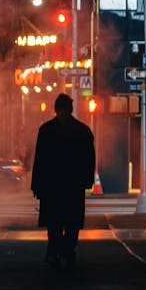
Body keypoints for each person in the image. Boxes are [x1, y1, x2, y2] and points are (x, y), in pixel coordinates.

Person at [30, 92, 95, 268]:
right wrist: (87, 180)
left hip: (52, 185)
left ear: (55, 109)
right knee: (72, 222)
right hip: (73, 185)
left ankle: (55, 251)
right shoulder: (83, 131)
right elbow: (89, 159)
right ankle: (68, 250)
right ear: (70, 109)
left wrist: (36, 185)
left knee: (54, 222)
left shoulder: (46, 130)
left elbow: (40, 160)